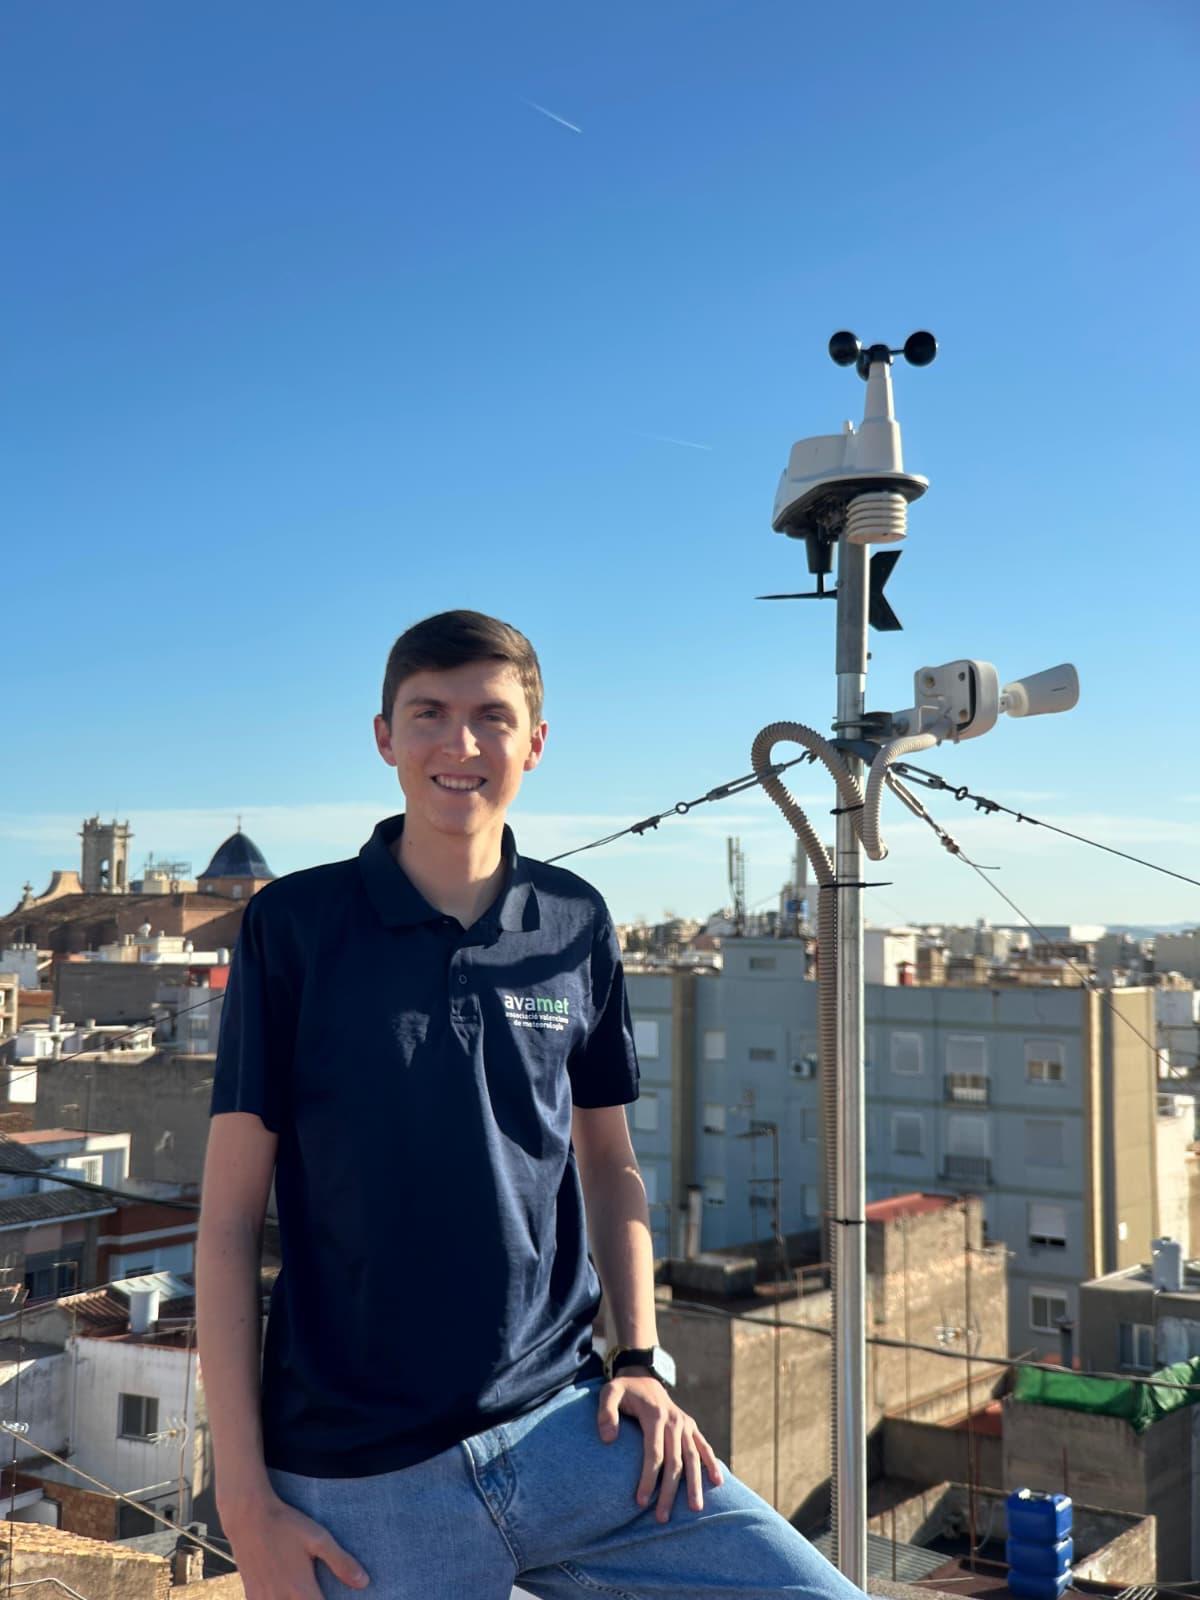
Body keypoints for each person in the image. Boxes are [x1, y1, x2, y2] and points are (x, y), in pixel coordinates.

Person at [196, 609, 867, 1600]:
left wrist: (639, 1358)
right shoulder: (294, 926)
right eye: (429, 713)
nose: (461, 745)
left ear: (535, 743)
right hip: (362, 1480)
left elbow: (610, 1164)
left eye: (492, 717)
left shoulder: (575, 922)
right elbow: (225, 1225)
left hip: (573, 1433)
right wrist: (244, 1500)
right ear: (384, 737)